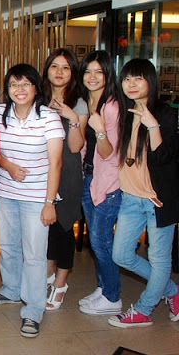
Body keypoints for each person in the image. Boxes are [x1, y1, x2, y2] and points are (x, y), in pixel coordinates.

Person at [0, 63, 64, 338]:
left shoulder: (48, 117)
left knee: (34, 254)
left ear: (35, 88)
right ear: (7, 89)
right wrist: (7, 165)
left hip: (37, 197)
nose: (19, 90)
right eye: (14, 84)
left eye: (25, 84)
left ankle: (33, 309)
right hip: (4, 193)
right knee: (7, 245)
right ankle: (11, 290)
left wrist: (49, 202)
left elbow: (56, 162)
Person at [109, 59, 179, 328]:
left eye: (138, 78)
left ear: (151, 80)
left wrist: (152, 124)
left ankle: (144, 309)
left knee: (159, 260)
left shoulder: (163, 113)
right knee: (121, 255)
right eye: (127, 79)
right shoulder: (127, 112)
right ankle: (172, 291)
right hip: (130, 198)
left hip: (155, 200)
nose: (132, 84)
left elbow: (163, 158)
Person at [41, 49, 88, 310]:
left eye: (66, 67)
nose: (59, 72)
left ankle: (60, 284)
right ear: (47, 69)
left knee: (64, 228)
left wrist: (72, 119)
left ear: (72, 73)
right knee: (46, 229)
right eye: (55, 66)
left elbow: (75, 147)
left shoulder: (78, 102)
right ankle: (47, 276)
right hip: (43, 171)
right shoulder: (38, 98)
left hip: (68, 173)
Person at [77, 50, 123, 316]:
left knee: (101, 241)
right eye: (88, 71)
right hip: (89, 178)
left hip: (108, 183)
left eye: (99, 72)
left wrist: (99, 127)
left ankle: (113, 296)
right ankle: (104, 287)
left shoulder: (112, 106)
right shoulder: (87, 102)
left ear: (108, 75)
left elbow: (108, 152)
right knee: (97, 241)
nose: (92, 77)